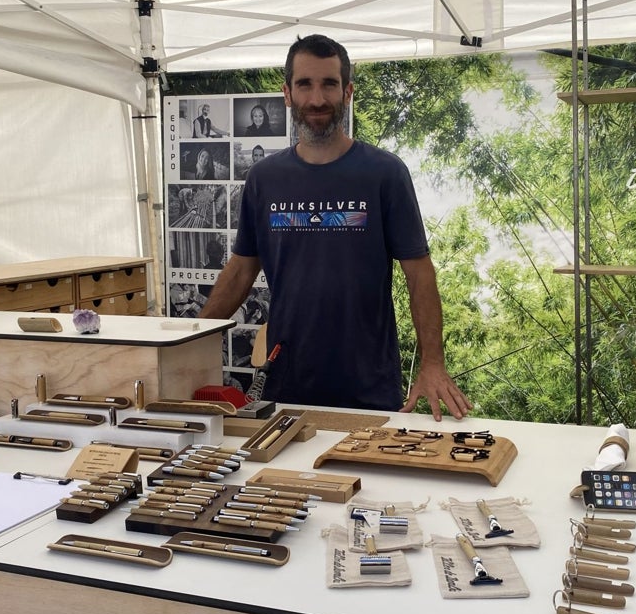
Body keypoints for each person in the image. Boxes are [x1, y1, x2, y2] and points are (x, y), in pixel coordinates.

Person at [200, 34, 471, 420]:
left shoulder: (384, 173)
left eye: (329, 84)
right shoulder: (264, 179)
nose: (317, 99)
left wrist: (432, 364)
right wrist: (187, 340)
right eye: (305, 84)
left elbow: (419, 274)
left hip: (369, 385)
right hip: (289, 381)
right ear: (287, 94)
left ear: (347, 92)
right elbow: (243, 268)